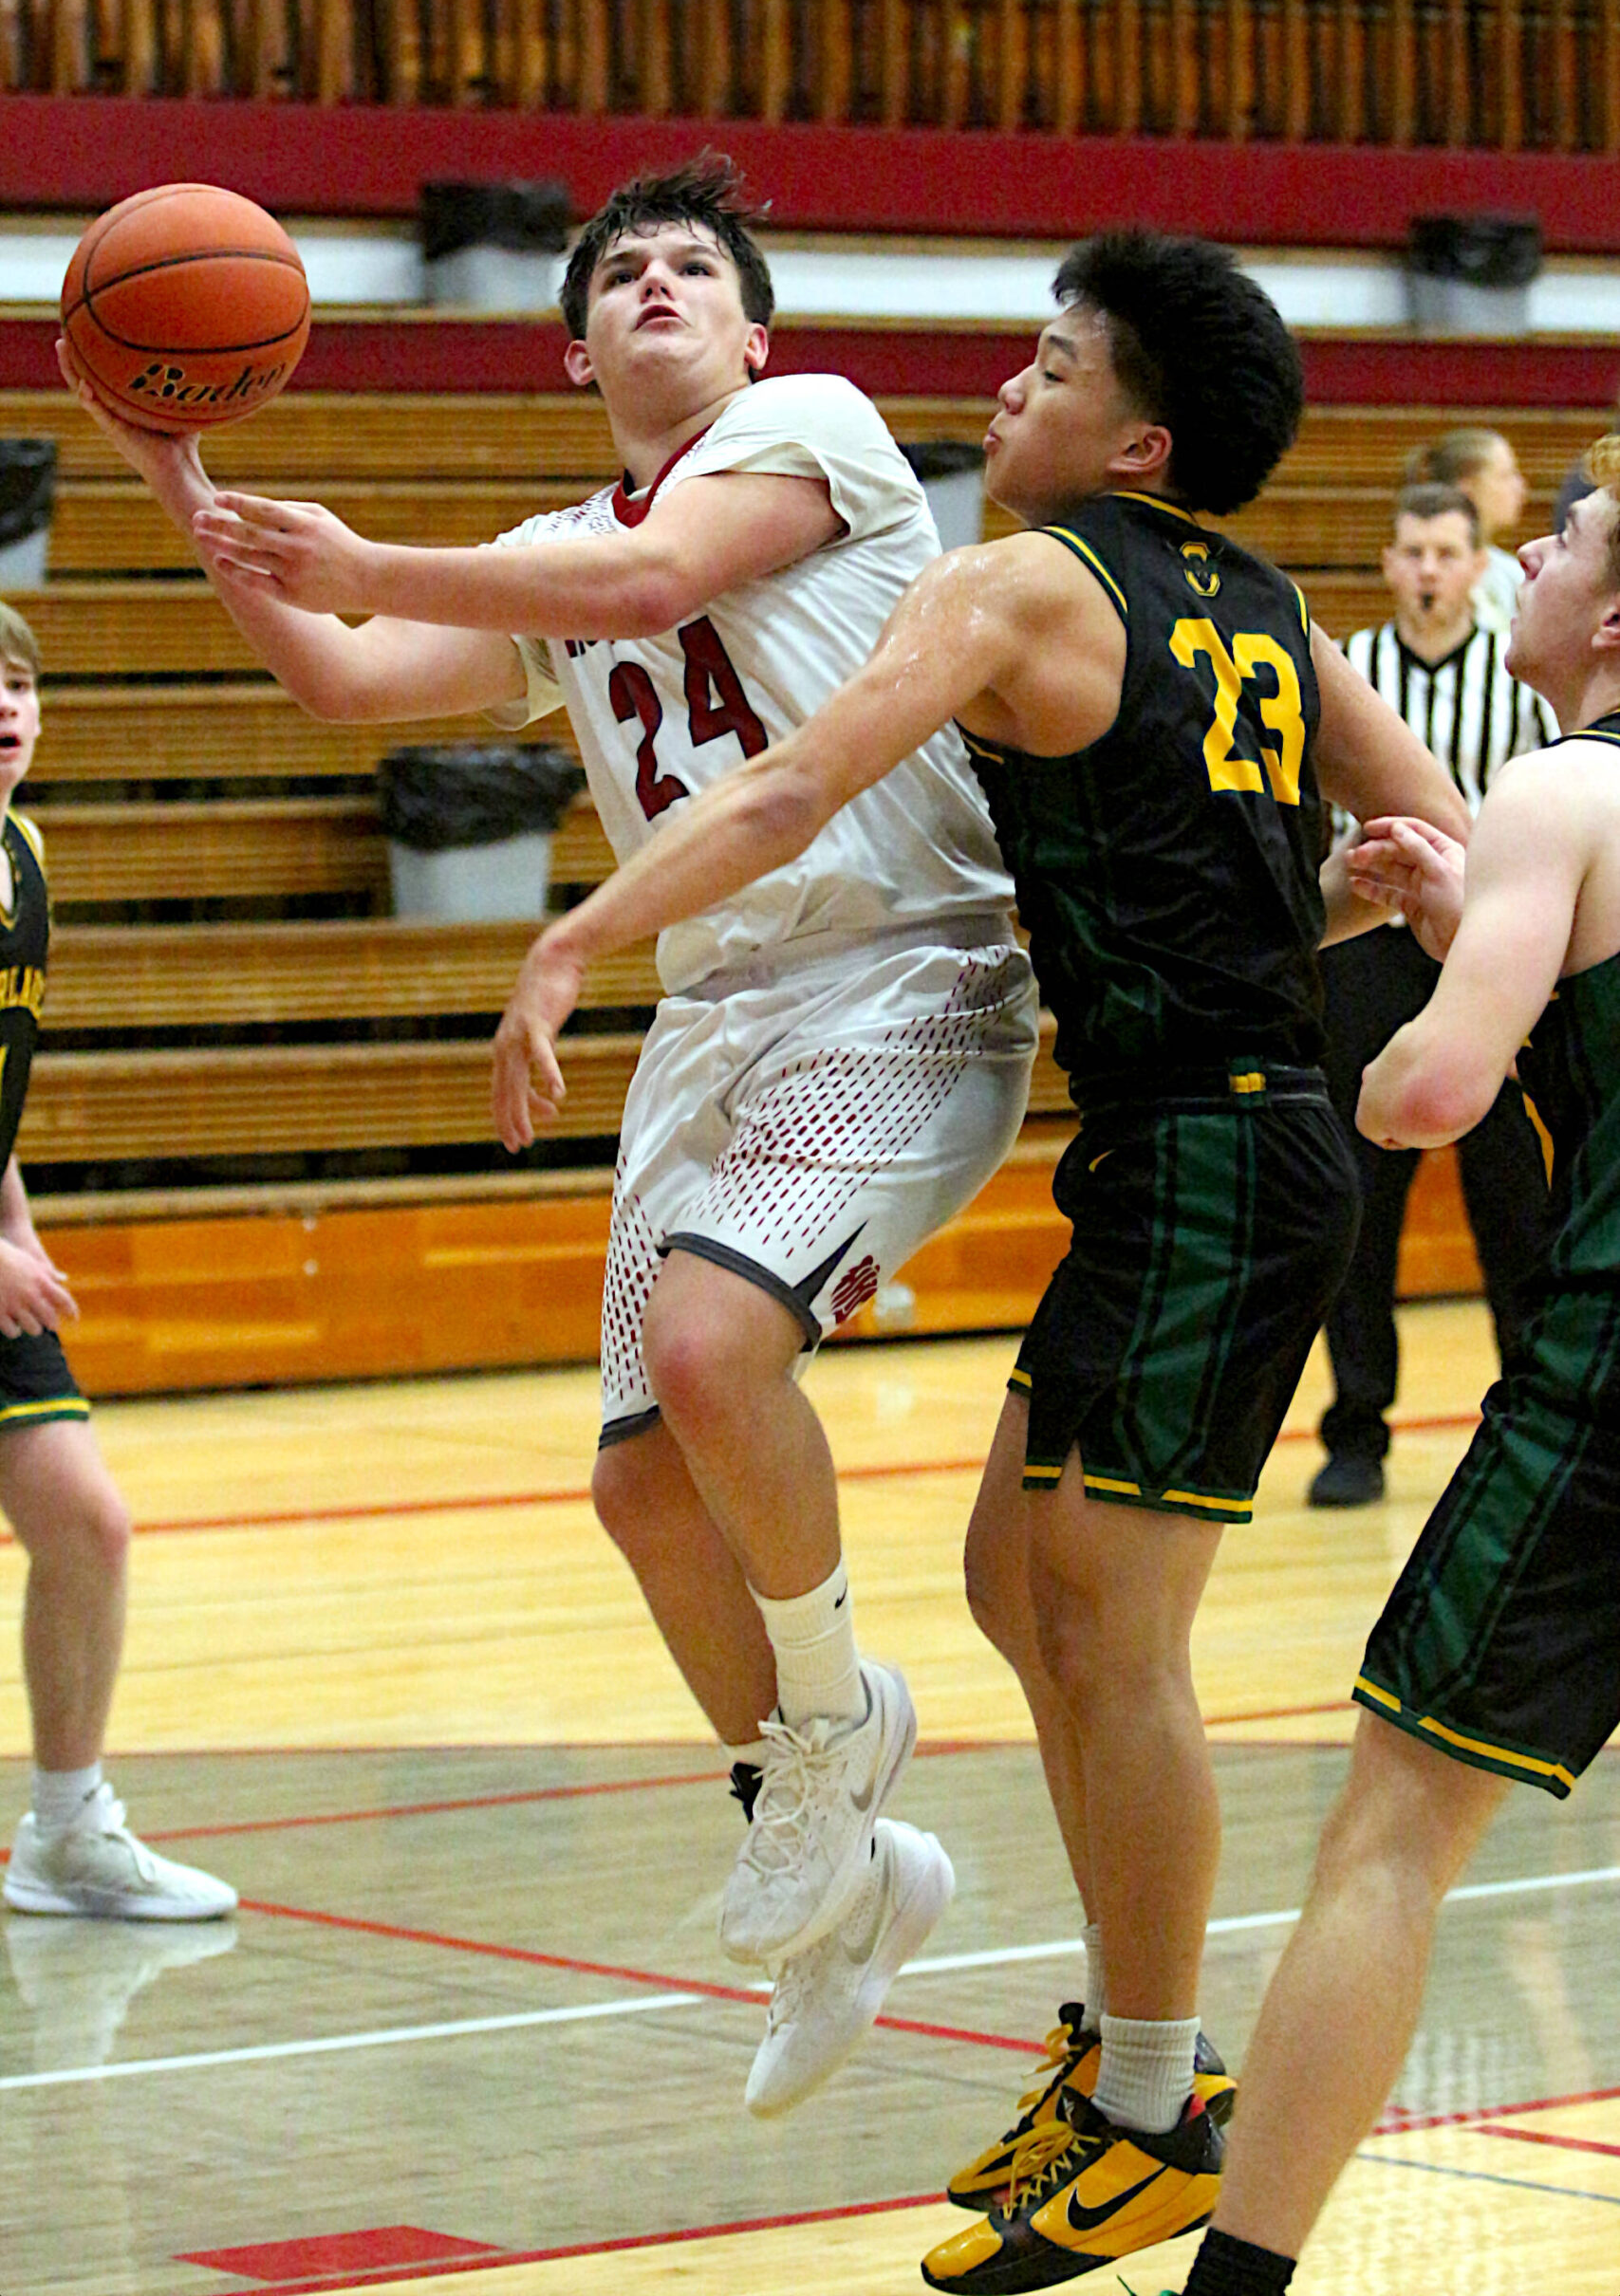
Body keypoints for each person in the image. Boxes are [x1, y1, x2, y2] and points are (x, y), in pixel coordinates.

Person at [482, 230, 1471, 2288]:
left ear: (1138, 437)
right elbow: (1437, 817)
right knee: (1014, 1582)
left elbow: (788, 779)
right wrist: (1384, 906)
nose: (1002, 394)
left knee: (1110, 1631)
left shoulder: (1020, 576)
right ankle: (1129, 2056)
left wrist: (579, 928)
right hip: (1189, 1133)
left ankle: (1150, 2099)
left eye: (1044, 364)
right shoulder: (1268, 608)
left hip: (1214, 1150)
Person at [61, 155, 1038, 2111]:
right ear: (570, 337)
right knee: (637, 1485)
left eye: (696, 267)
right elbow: (342, 676)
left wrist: (370, 556)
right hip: (712, 1015)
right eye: (621, 273)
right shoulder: (543, 543)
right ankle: (843, 1875)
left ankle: (836, 1726)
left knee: (706, 1349)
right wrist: (169, 456)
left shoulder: (810, 432)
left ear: (752, 331)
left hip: (903, 962)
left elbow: (648, 582)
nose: (658, 284)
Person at [1176, 444, 1620, 2296]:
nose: (1528, 543)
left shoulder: (1558, 784)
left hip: (1607, 1386)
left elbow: (1429, 1093)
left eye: (1567, 531)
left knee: (1385, 1840)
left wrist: (1377, 1060)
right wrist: (1481, 931)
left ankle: (1233, 2283)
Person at [0, 604, 235, 1925]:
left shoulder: (21, 854)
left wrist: (14, 1219)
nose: (7, 708)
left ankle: (67, 1834)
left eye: (22, 682)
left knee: (83, 1524)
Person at [1308, 482, 1552, 1509]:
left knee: (1514, 1198)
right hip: (1367, 943)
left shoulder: (1522, 674)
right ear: (1389, 561)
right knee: (1358, 1198)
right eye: (1410, 551)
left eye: (1447, 553)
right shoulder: (1349, 669)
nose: (1426, 570)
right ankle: (1356, 1432)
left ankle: (1534, 1422)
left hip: (1486, 942)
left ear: (1475, 562)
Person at [1403, 426, 1529, 634]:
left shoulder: (1511, 573)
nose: (1520, 487)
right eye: (1506, 476)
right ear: (1467, 490)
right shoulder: (1425, 573)